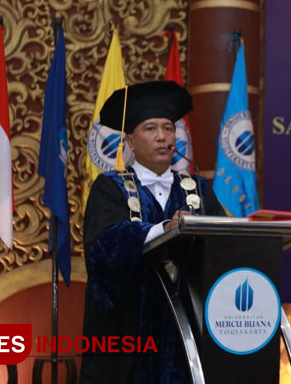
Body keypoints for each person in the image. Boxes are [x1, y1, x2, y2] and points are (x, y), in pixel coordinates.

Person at [80, 80, 224, 384]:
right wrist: (163, 230)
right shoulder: (110, 187)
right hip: (129, 330)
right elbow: (102, 249)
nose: (162, 137)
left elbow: (224, 245)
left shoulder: (197, 189)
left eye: (168, 128)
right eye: (150, 128)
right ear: (130, 141)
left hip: (188, 327)